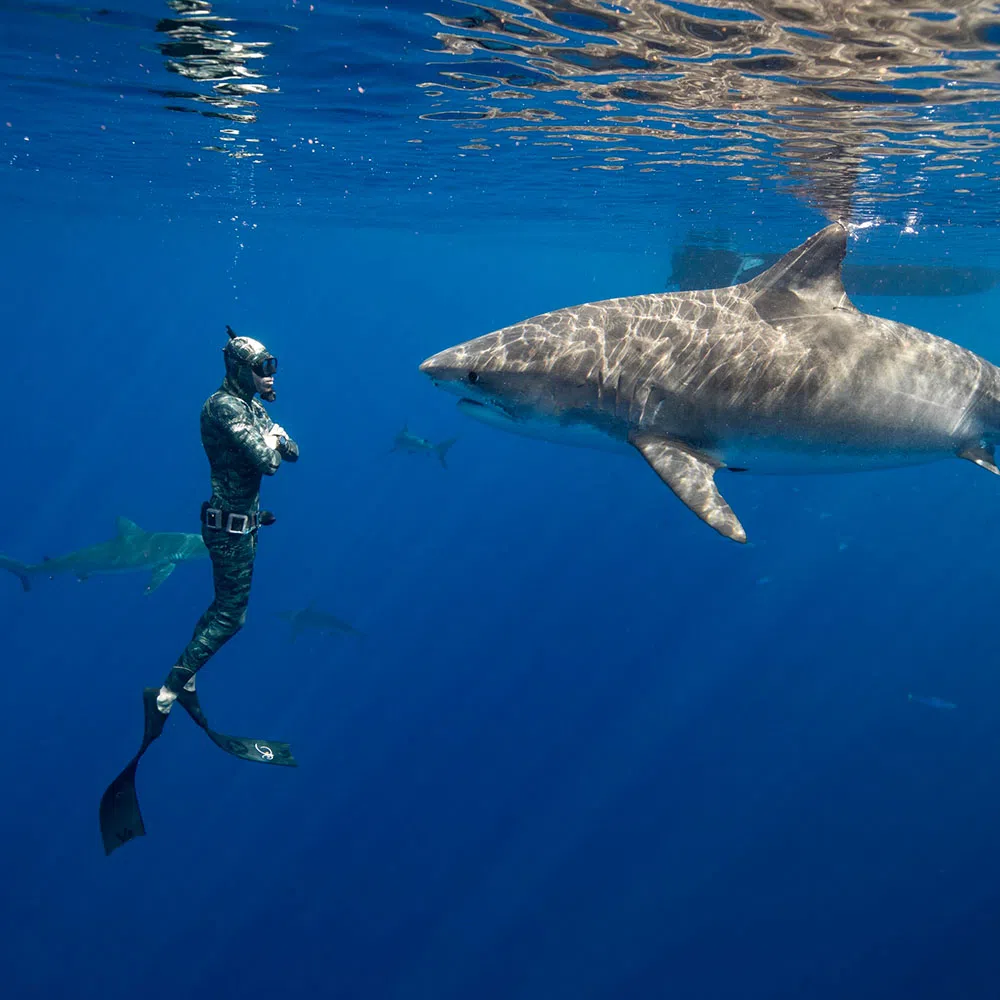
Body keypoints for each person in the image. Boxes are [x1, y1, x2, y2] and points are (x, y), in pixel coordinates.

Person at [100, 326, 300, 856]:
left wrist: (277, 432)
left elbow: (292, 451)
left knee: (226, 611)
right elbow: (271, 461)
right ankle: (171, 688)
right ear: (237, 367)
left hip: (248, 523)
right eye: (261, 368)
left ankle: (183, 678)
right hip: (228, 526)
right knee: (230, 617)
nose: (269, 375)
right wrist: (275, 437)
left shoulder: (250, 403)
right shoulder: (224, 409)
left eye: (272, 366)